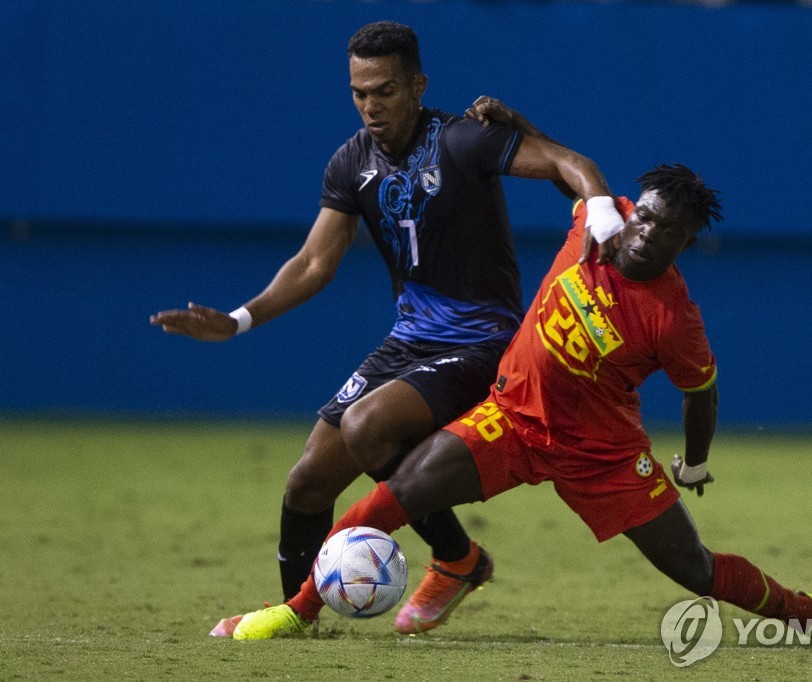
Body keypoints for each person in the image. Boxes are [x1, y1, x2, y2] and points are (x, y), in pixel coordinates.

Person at [227, 100, 812, 646]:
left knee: (694, 568)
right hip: (512, 417)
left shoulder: (673, 319)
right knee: (391, 496)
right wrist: (519, 124)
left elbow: (701, 394)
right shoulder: (599, 224)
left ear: (686, 245)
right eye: (647, 214)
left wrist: (692, 462)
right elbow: (560, 173)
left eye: (669, 232)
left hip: (600, 454)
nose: (648, 233)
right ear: (636, 206)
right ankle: (299, 611)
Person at [150, 22, 625, 637]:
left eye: (385, 90)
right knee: (308, 480)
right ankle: (301, 620)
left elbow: (571, 163)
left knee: (366, 427)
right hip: (410, 341)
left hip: (483, 341)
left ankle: (456, 560)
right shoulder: (351, 161)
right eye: (358, 92)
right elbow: (315, 262)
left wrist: (604, 212)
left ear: (417, 85)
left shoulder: (461, 141)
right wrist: (240, 320)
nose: (371, 105)